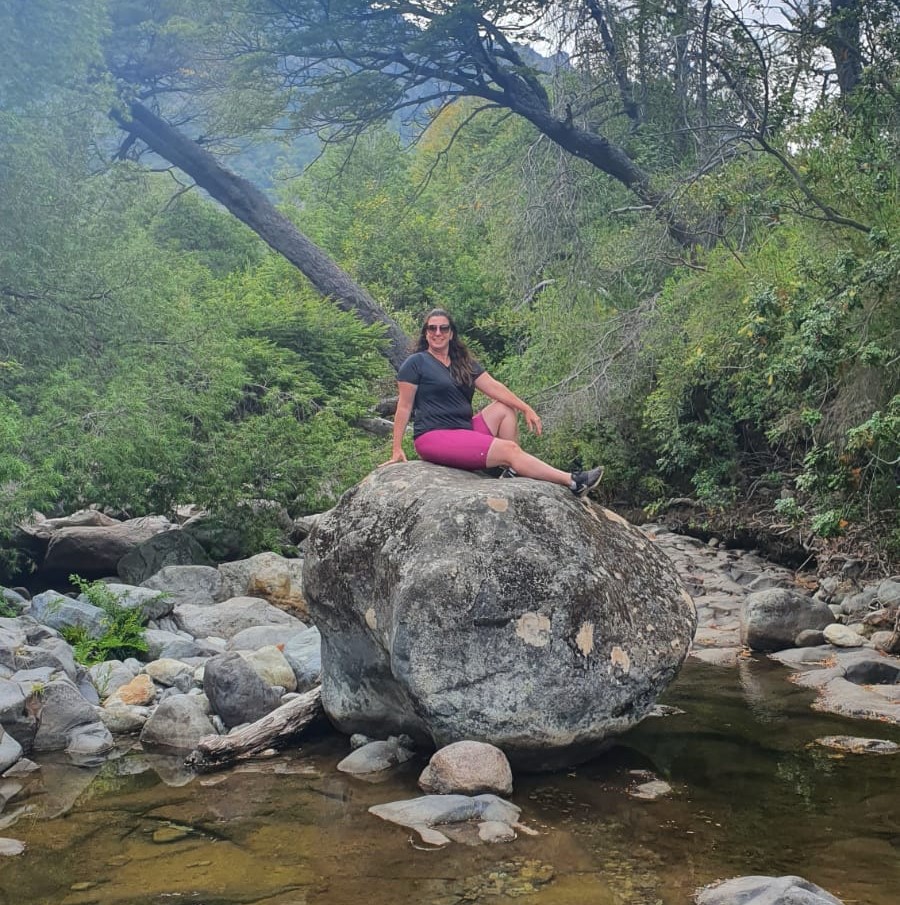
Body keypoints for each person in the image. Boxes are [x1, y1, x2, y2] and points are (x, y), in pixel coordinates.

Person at [381, 308, 604, 496]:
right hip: (434, 436)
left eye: (443, 328)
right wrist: (397, 448)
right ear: (426, 333)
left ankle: (513, 470)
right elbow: (404, 406)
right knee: (509, 449)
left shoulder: (462, 363)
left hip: (464, 430)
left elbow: (495, 387)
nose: (437, 333)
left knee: (505, 408)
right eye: (432, 328)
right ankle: (574, 482)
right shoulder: (415, 363)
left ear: (451, 333)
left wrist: (525, 408)